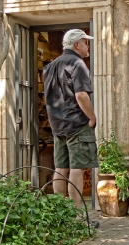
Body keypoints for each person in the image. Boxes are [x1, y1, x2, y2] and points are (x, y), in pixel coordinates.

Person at [43, 29, 98, 208]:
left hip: (58, 125)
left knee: (60, 167)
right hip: (77, 123)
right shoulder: (77, 63)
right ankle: (76, 215)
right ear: (77, 45)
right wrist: (92, 117)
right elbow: (81, 95)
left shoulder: (50, 66)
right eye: (85, 42)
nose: (87, 46)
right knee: (77, 168)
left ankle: (61, 214)